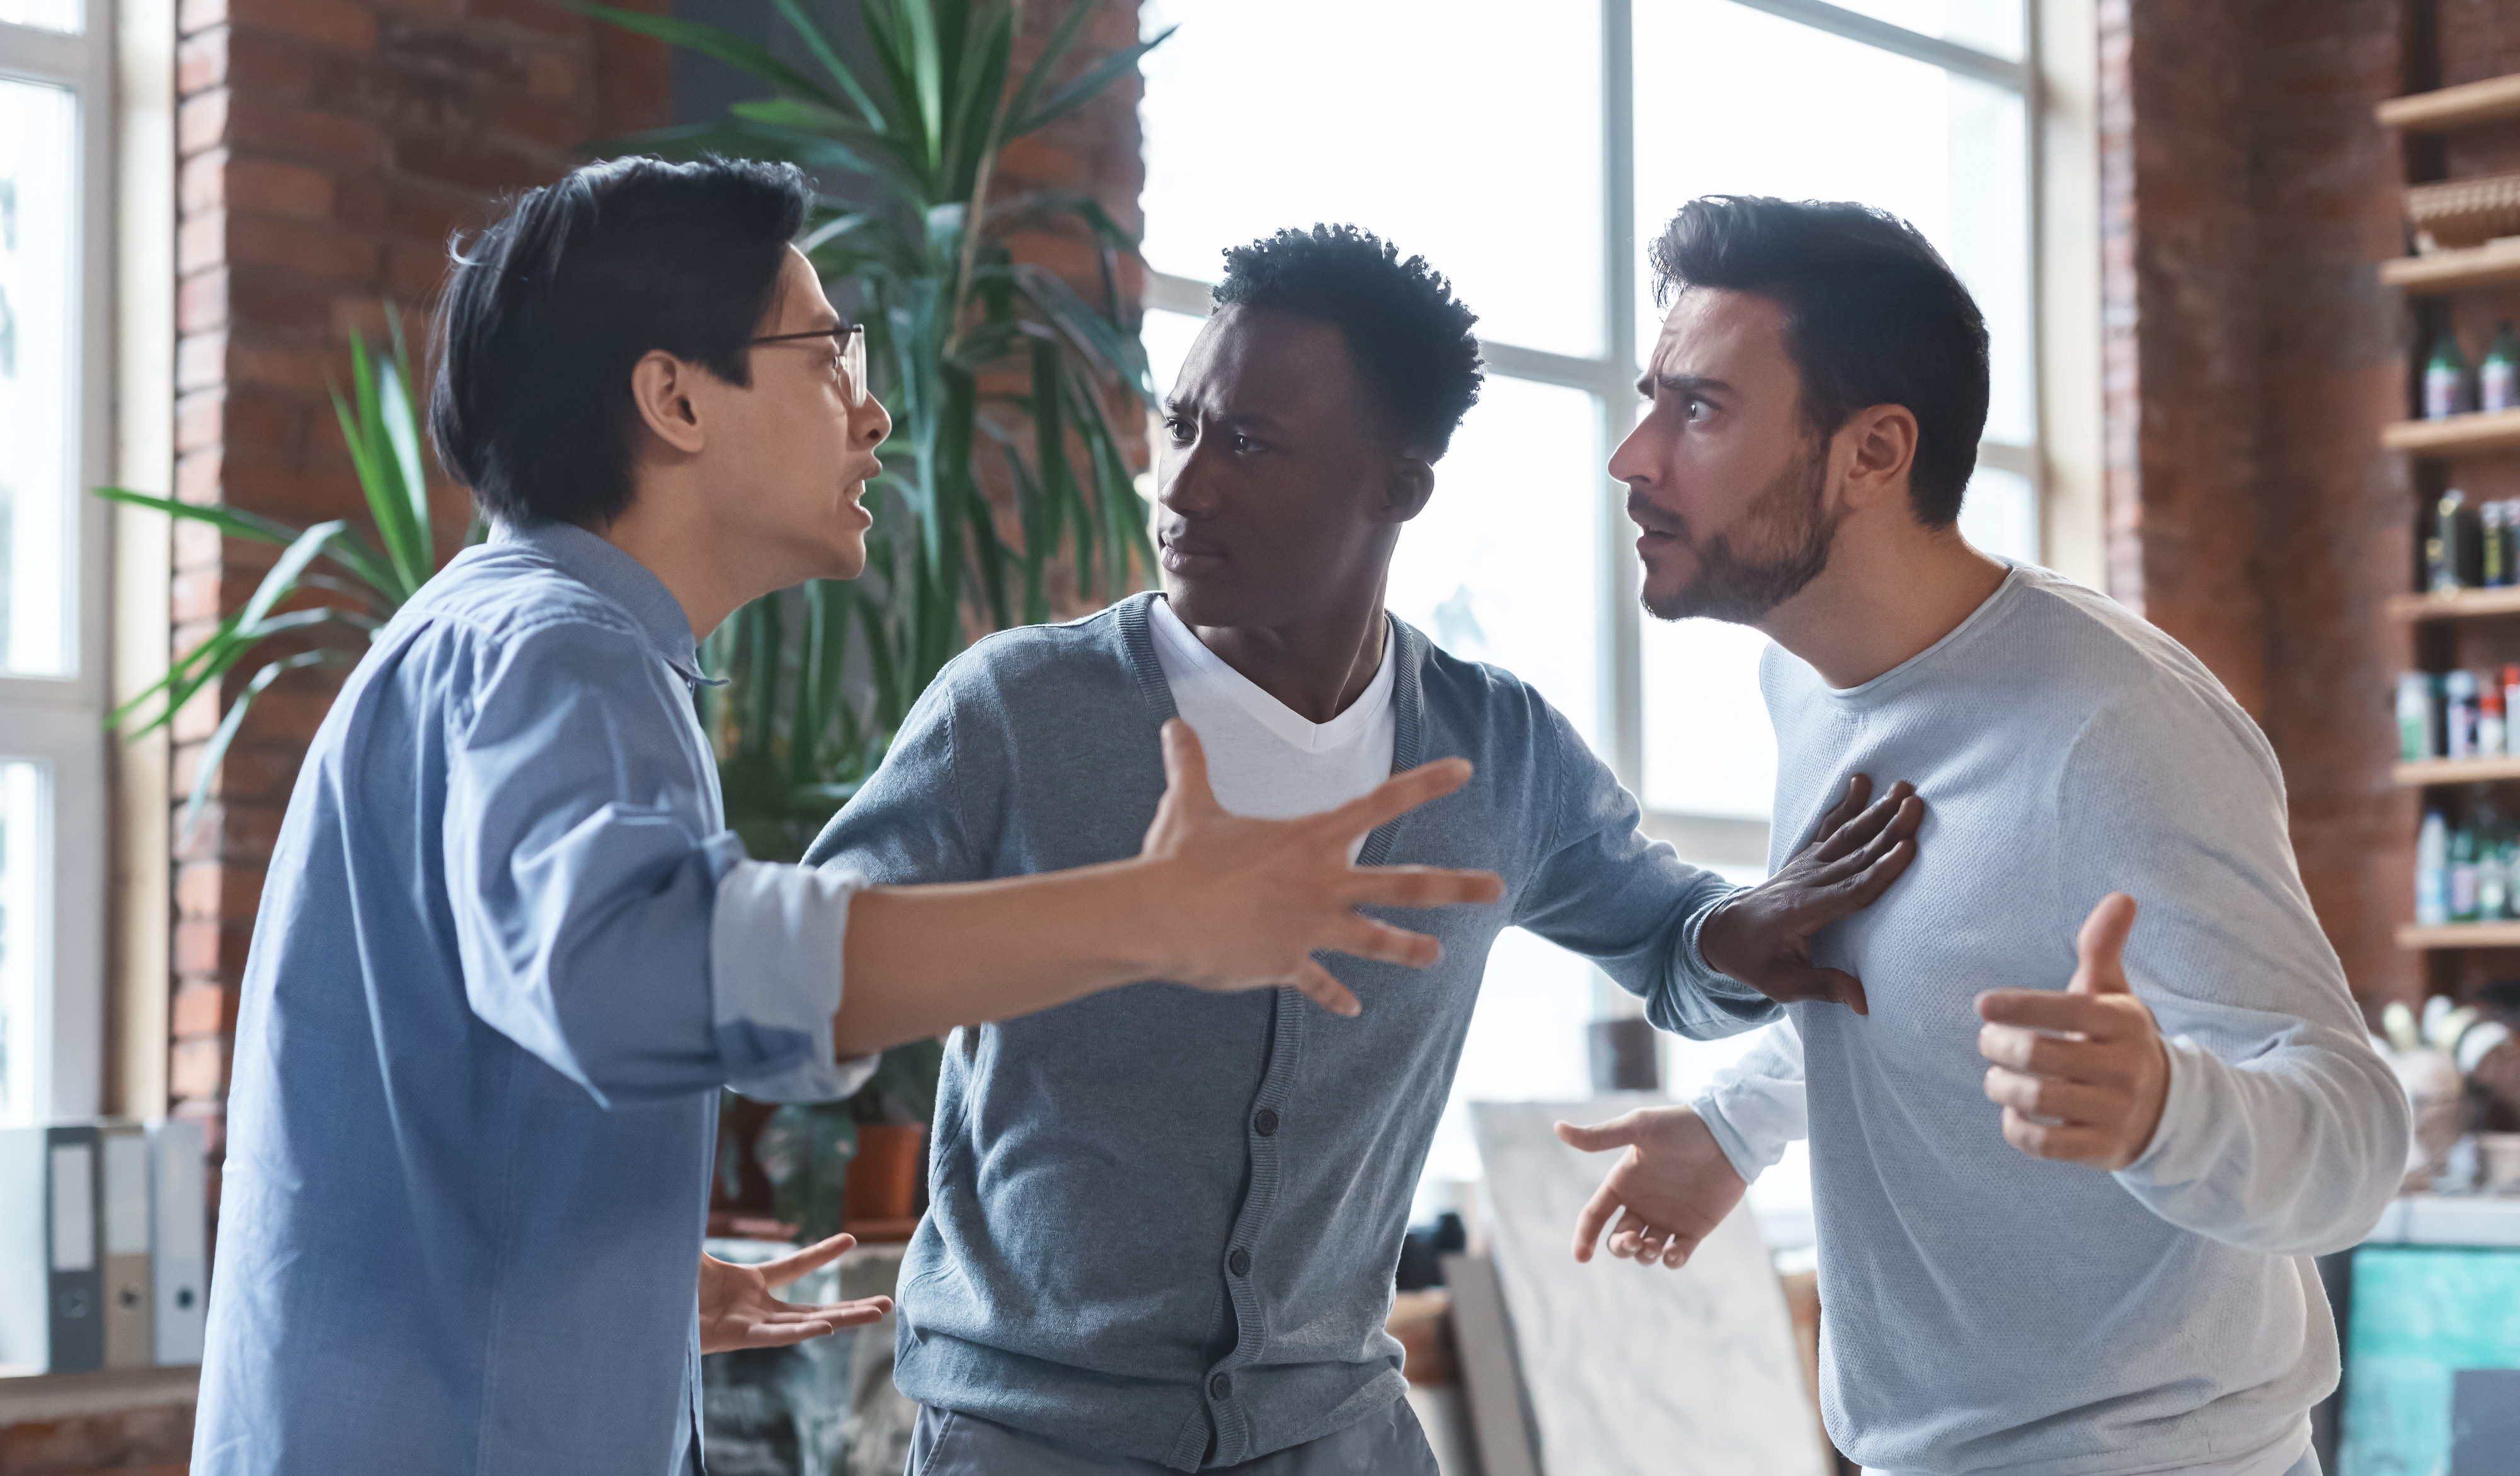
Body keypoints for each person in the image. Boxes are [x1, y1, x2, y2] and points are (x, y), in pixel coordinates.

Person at [192, 157, 1509, 1476]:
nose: (871, 413)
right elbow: (629, 970)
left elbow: (486, 1041)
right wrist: (1144, 912)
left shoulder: (498, 634)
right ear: (674, 398)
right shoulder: (560, 650)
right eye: (826, 355)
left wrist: (611, 1275)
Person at [801, 223, 1927, 1474]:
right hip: (1030, 1438)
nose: (1181, 484)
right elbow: (798, 995)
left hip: (1334, 1434)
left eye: (1246, 443)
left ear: (1398, 482)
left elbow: (1671, 943)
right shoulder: (1012, 713)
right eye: (1178, 424)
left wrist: (1748, 930)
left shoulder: (1493, 747)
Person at [1557, 195, 2409, 1476]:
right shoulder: (1806, 682)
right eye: (1648, 400)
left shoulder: (2115, 722)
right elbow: (1930, 975)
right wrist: (1739, 1124)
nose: (1632, 457)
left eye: (1697, 409)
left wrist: (2164, 1107)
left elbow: (2354, 1140)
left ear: (1871, 452)